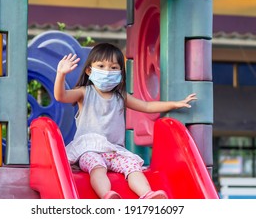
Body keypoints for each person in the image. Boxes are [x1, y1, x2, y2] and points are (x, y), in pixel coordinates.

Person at [54, 43, 197, 199]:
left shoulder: (120, 97)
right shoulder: (84, 93)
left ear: (120, 73)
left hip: (115, 151)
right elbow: (61, 96)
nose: (107, 71)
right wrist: (61, 74)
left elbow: (147, 106)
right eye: (101, 66)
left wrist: (175, 104)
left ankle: (147, 195)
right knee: (97, 167)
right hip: (90, 150)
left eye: (113, 67)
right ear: (89, 70)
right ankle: (106, 195)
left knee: (133, 167)